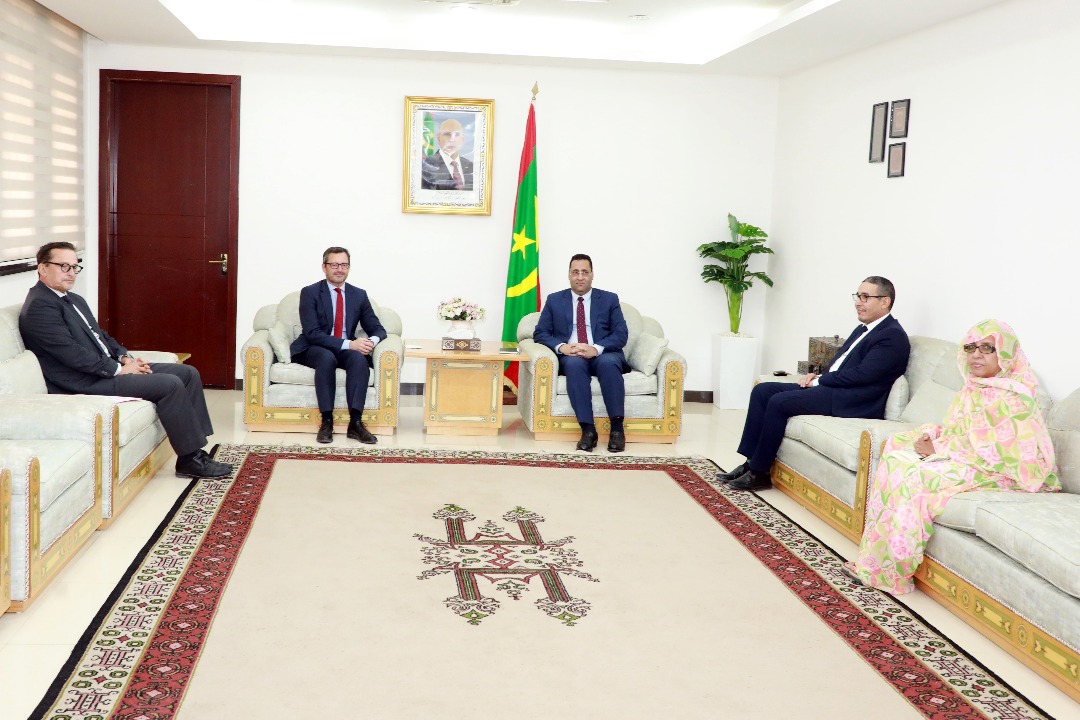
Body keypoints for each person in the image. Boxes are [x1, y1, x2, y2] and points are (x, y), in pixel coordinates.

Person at [843, 320, 1059, 595]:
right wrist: (934, 438)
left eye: (987, 348)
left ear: (1005, 354)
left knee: (916, 476)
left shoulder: (1016, 397)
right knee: (897, 451)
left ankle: (889, 574)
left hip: (1004, 472)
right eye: (971, 347)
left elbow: (1008, 455)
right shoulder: (973, 388)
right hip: (969, 457)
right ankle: (875, 559)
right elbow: (961, 431)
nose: (976, 355)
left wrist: (941, 452)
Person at [19, 242, 232, 479]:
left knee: (187, 373)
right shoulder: (40, 306)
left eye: (74, 267)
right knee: (170, 384)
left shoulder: (73, 299)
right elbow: (71, 353)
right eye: (63, 266)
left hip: (101, 369)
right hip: (82, 381)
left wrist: (124, 357)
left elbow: (100, 336)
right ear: (43, 268)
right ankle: (190, 460)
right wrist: (118, 370)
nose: (71, 273)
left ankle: (195, 451)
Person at [720, 276, 910, 491]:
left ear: (885, 302)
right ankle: (750, 462)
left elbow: (863, 375)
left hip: (854, 400)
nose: (858, 302)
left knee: (779, 402)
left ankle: (759, 472)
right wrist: (816, 375)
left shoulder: (892, 336)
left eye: (865, 297)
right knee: (763, 390)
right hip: (835, 388)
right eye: (858, 296)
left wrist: (821, 380)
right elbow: (840, 363)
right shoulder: (863, 329)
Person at [533, 254, 629, 453]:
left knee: (608, 363)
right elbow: (540, 333)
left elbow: (621, 334)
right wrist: (562, 347)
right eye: (575, 272)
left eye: (585, 272)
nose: (580, 277)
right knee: (574, 365)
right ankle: (588, 430)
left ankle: (617, 430)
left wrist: (596, 348)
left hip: (602, 353)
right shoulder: (554, 300)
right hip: (572, 355)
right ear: (569, 275)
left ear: (592, 275)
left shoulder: (609, 299)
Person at [292, 246, 386, 445]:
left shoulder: (358, 295)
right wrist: (349, 344)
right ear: (324, 267)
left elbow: (378, 329)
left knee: (359, 360)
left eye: (344, 265)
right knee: (327, 358)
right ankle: (327, 422)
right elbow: (312, 333)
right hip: (313, 346)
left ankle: (356, 424)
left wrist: (369, 342)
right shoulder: (310, 293)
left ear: (349, 267)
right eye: (334, 265)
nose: (339, 269)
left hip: (344, 348)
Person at [421, 118, 474, 191]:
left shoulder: (470, 166)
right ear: (439, 138)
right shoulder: (426, 166)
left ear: (462, 139)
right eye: (447, 134)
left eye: (457, 134)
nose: (452, 139)